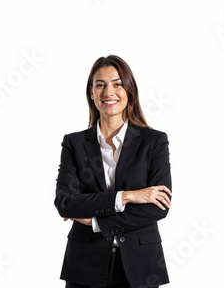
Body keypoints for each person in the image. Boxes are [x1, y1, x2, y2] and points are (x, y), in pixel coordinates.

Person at [55, 55, 172, 288]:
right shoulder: (74, 143)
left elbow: (157, 206)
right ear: (91, 93)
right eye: (100, 85)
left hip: (140, 265)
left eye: (117, 84)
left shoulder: (154, 141)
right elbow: (65, 203)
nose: (109, 92)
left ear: (128, 90)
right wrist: (128, 196)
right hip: (84, 263)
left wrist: (97, 221)